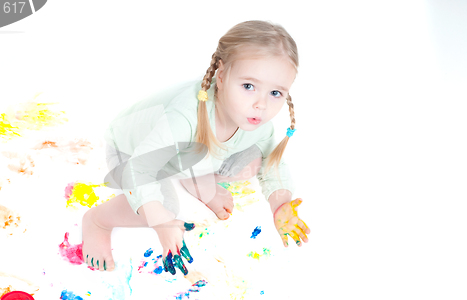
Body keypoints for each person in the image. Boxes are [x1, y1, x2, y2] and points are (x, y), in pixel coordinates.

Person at [81, 20, 311, 274]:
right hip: (131, 151)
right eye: (248, 86)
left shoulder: (255, 121)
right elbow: (139, 169)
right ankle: (98, 221)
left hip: (185, 153)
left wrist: (281, 203)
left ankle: (196, 179)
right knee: (163, 208)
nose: (261, 104)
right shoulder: (184, 116)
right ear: (221, 76)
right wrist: (162, 222)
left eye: (275, 93)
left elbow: (272, 162)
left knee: (254, 159)